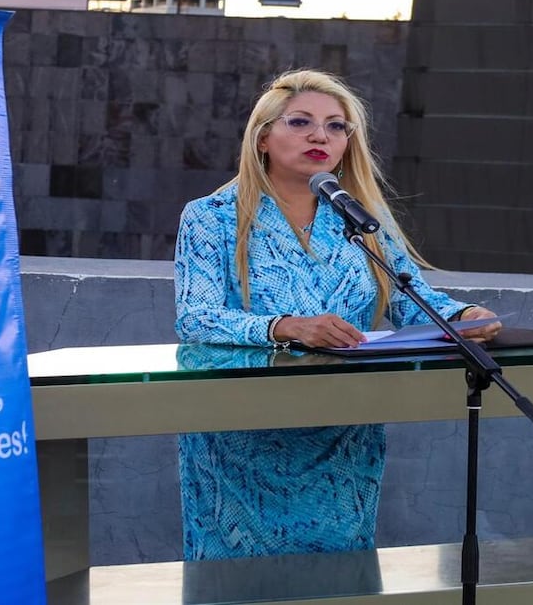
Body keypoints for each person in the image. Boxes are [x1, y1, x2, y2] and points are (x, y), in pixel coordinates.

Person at [172, 68, 501, 560]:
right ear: (263, 137)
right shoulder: (211, 215)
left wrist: (463, 316)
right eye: (301, 122)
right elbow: (195, 316)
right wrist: (284, 327)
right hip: (242, 430)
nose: (320, 136)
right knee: (238, 578)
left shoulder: (361, 217)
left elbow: (410, 297)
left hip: (344, 426)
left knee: (339, 572)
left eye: (336, 126)